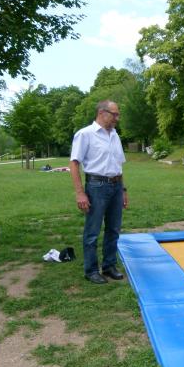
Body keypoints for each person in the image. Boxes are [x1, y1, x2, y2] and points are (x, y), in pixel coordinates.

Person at [70, 100, 129, 284]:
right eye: (115, 114)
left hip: (116, 186)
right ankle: (91, 270)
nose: (117, 118)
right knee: (93, 231)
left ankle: (109, 266)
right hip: (96, 186)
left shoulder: (115, 135)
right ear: (102, 113)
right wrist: (80, 193)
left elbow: (118, 165)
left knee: (113, 229)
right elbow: (74, 163)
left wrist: (124, 190)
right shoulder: (85, 134)